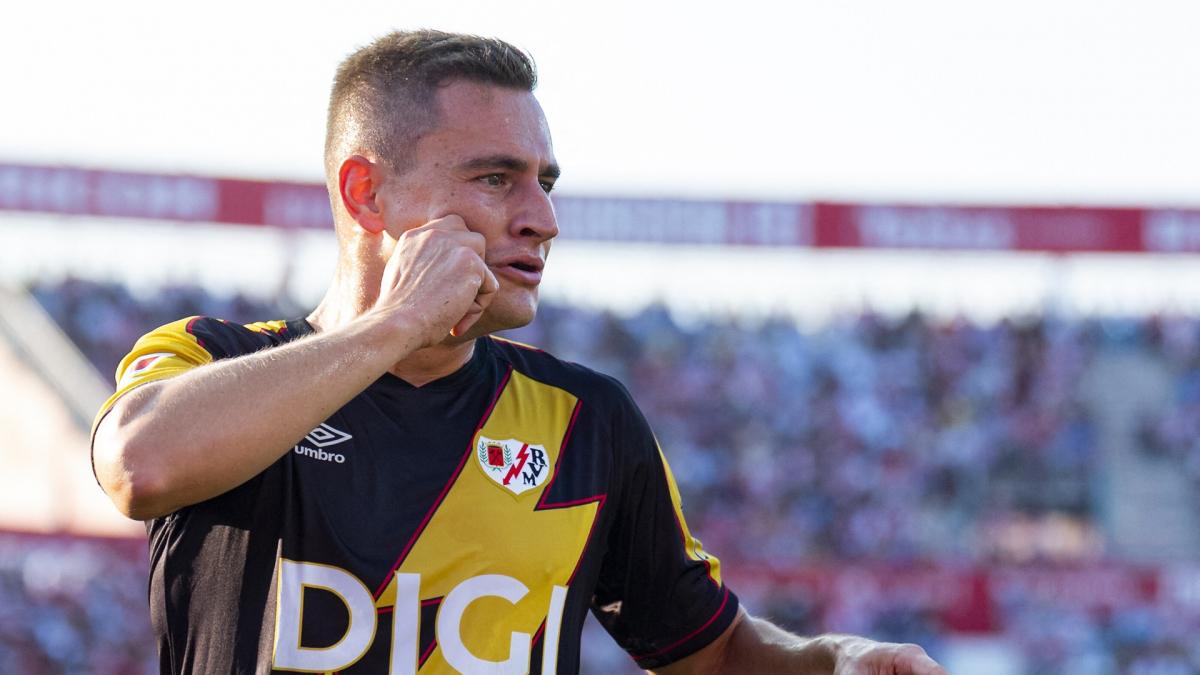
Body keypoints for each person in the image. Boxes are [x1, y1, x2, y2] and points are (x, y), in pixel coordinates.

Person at [91, 30, 948, 674]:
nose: (542, 217)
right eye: (497, 179)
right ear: (368, 193)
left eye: (546, 180)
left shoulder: (587, 420)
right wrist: (395, 324)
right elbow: (141, 466)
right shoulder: (211, 356)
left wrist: (833, 659)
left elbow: (712, 651)